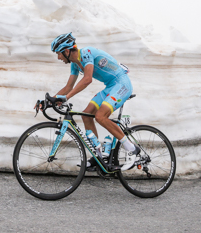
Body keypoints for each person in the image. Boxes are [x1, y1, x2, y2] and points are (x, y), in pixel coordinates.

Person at [48, 32, 142, 171]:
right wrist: (51, 100)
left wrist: (66, 98)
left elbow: (87, 79)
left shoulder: (86, 53)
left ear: (67, 51)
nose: (58, 57)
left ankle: (132, 149)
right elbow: (69, 87)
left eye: (59, 53)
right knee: (86, 115)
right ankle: (98, 158)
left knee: (100, 116)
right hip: (110, 87)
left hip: (121, 84)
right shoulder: (74, 64)